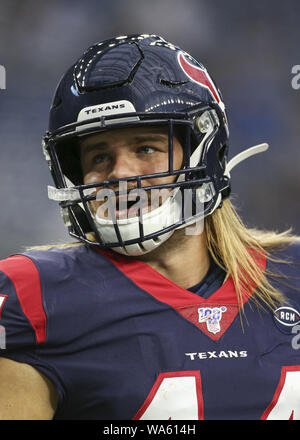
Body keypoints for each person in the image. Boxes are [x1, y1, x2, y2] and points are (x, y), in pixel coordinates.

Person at [0, 33, 299, 420]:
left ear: (203, 152)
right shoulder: (36, 294)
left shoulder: (291, 274)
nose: (120, 173)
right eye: (99, 155)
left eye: (146, 148)